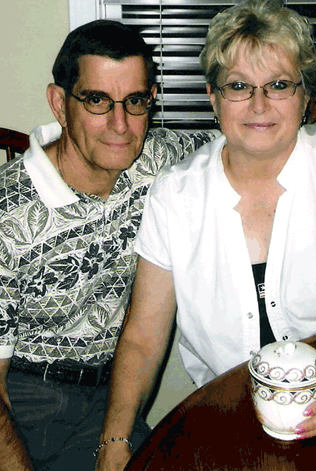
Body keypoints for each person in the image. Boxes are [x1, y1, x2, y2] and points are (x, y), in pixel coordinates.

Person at [97, 1, 316, 470]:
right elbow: (142, 336)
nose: (259, 105)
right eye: (239, 86)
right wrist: (114, 440)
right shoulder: (176, 195)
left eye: (278, 85)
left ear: (303, 95)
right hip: (231, 425)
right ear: (213, 97)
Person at [0, 20, 219, 471]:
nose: (121, 126)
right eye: (97, 100)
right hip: (21, 398)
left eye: (135, 101)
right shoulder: (8, 214)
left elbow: (254, 125)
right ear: (60, 104)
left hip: (110, 394)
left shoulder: (158, 160)